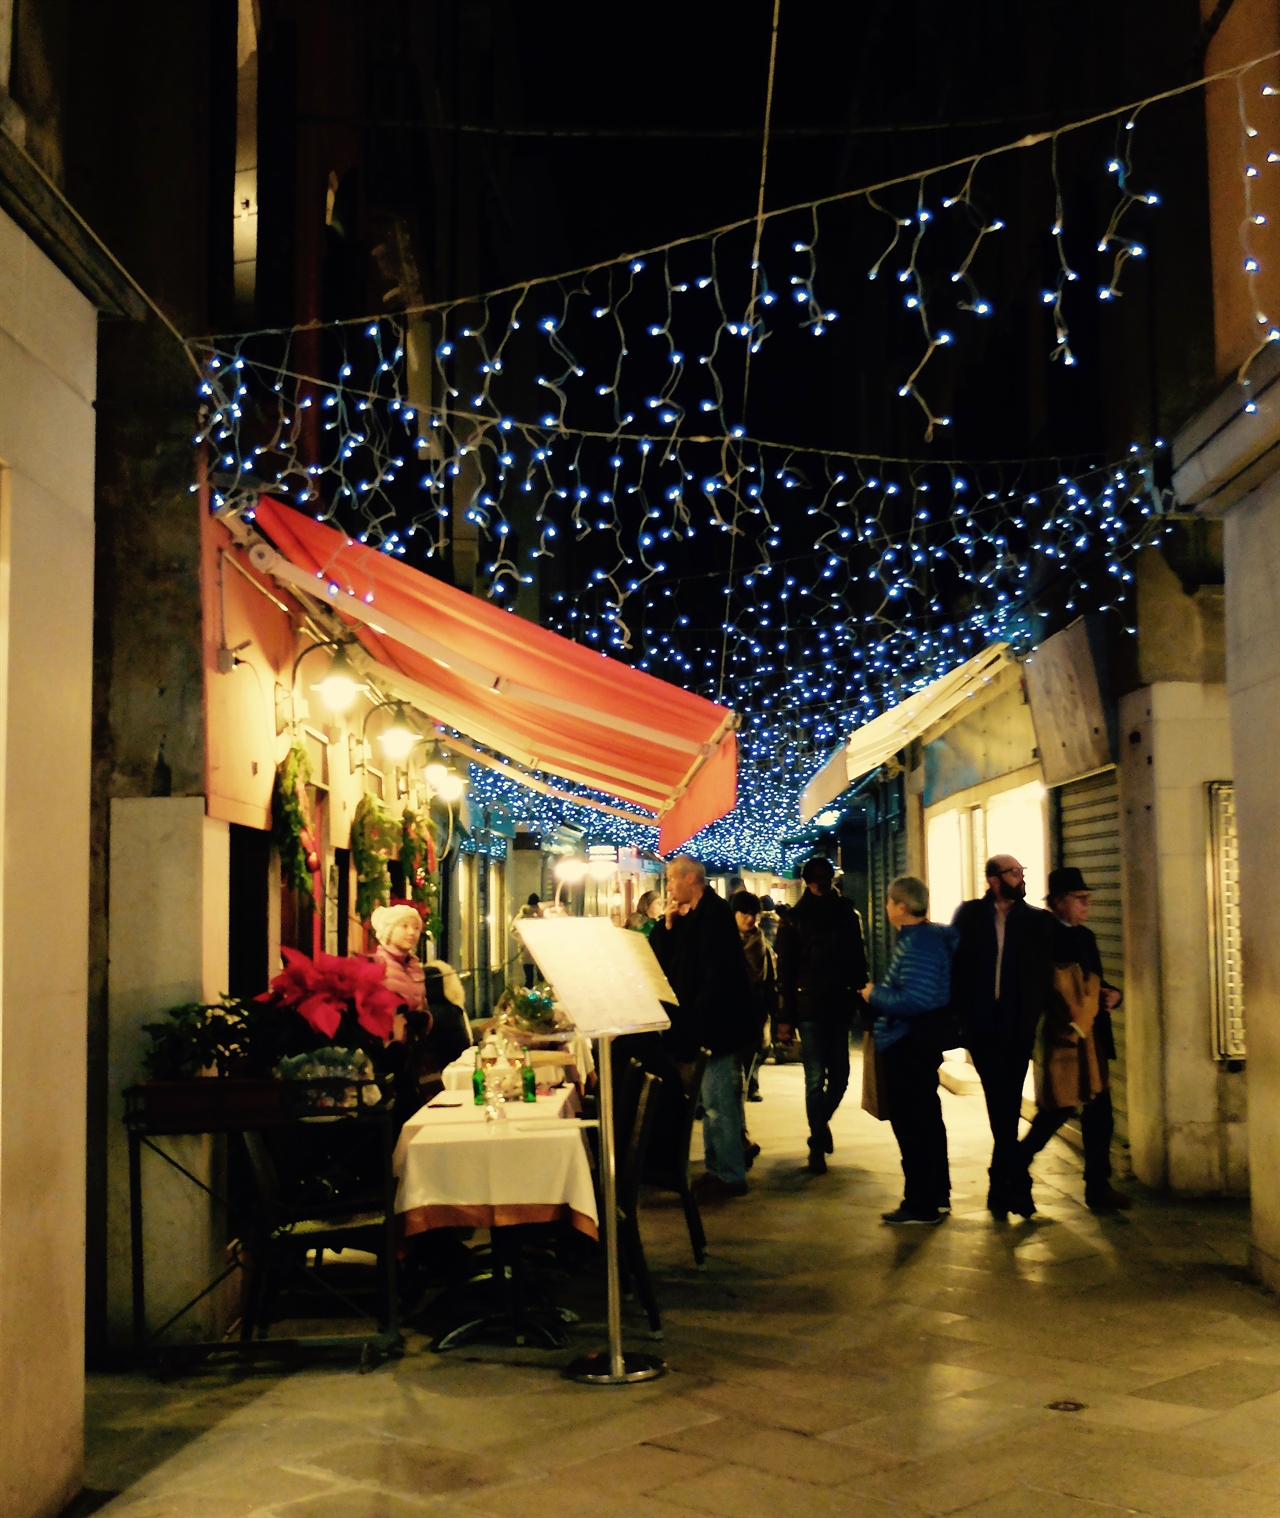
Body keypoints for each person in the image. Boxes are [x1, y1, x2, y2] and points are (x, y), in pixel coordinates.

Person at [950, 854, 1075, 1219]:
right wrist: (960, 1016)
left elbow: (1062, 963)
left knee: (1004, 1107)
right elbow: (957, 967)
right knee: (1000, 1104)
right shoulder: (970, 916)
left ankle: (1002, 1180)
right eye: (1013, 873)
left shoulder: (1038, 922)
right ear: (993, 879)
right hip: (982, 1027)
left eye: (1022, 873)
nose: (1021, 879)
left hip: (1018, 1028)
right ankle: (1014, 1184)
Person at [1015, 867, 1131, 1213]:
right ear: (1059, 902)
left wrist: (1114, 996)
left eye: (1087, 899)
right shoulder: (1043, 937)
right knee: (1058, 1109)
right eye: (1080, 900)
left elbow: (1096, 983)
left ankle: (1098, 1186)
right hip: (1063, 1038)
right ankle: (1015, 1165)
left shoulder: (1086, 937)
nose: (1086, 906)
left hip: (1093, 1036)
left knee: (1099, 1112)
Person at [649, 855, 755, 1199]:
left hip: (717, 1027)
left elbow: (715, 977)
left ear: (691, 879)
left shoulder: (715, 915)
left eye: (670, 880)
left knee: (719, 1102)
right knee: (711, 1103)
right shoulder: (691, 916)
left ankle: (729, 1174)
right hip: (701, 1025)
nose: (667, 887)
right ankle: (717, 1168)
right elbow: (665, 959)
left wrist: (695, 1019)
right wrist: (667, 925)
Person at [861, 876, 958, 1225]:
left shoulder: (918, 944)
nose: (886, 908)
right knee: (928, 1120)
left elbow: (915, 999)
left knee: (913, 1123)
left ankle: (920, 1202)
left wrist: (873, 995)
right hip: (918, 1042)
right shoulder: (931, 939)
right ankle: (936, 1194)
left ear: (901, 907)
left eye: (888, 902)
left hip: (908, 1043)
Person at [776, 855, 869, 1175]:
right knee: (815, 1077)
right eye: (813, 879)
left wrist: (862, 998)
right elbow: (785, 972)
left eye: (823, 878)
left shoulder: (847, 913)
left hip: (839, 1004)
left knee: (840, 1077)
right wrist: (785, 1018)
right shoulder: (795, 918)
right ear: (807, 881)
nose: (818, 884)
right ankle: (817, 1142)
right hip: (809, 1006)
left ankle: (820, 1123)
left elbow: (858, 958)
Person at [732, 889, 777, 1109]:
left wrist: (776, 1016)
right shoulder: (725, 942)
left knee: (754, 1055)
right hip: (731, 1010)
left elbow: (770, 982)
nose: (750, 918)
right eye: (745, 913)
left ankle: (751, 1085)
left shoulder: (762, 945)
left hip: (756, 1011)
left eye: (754, 914)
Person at [514, 893, 543, 988]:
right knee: (531, 977)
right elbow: (514, 931)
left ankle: (534, 995)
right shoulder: (523, 917)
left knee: (534, 976)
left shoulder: (537, 916)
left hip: (535, 951)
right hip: (529, 951)